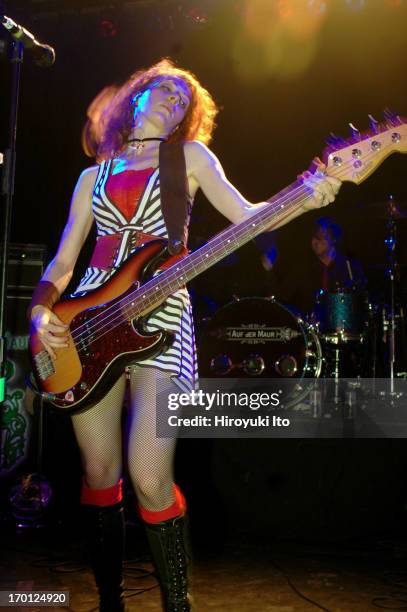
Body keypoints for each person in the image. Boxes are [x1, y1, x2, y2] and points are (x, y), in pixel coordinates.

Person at [27, 59, 341, 612]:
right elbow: (64, 259)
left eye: (183, 101)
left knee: (149, 475)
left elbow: (248, 216)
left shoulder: (190, 158)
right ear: (139, 98)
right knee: (99, 472)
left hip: (163, 315)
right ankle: (110, 602)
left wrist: (305, 196)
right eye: (165, 91)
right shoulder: (92, 175)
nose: (175, 101)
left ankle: (178, 605)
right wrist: (40, 312)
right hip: (88, 323)